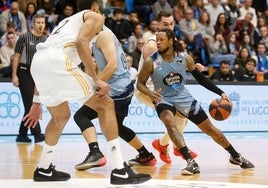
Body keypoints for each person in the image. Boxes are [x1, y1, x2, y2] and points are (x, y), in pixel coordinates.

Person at [22, 0, 151, 185]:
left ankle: (43, 168)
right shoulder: (95, 16)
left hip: (39, 62)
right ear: (96, 7)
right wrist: (95, 78)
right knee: (106, 104)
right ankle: (119, 169)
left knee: (61, 116)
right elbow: (81, 42)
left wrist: (36, 102)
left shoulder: (65, 22)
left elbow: (46, 60)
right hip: (57, 62)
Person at [137, 28, 255, 175]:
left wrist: (221, 93)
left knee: (210, 129)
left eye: (161, 40)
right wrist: (150, 93)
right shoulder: (151, 62)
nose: (158, 43)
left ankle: (236, 156)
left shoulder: (184, 58)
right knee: (169, 121)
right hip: (163, 99)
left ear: (171, 41)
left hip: (184, 98)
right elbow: (139, 84)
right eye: (157, 39)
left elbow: (201, 79)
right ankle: (190, 162)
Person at [74, 25, 156, 171]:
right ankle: (145, 155)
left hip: (116, 89)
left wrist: (97, 84)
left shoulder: (103, 36)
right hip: (125, 87)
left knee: (81, 116)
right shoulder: (108, 32)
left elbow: (112, 65)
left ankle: (95, 153)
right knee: (117, 127)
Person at [137, 10, 198, 164]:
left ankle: (163, 144)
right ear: (157, 24)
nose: (169, 26)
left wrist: (194, 66)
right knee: (179, 117)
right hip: (149, 88)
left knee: (183, 119)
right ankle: (176, 146)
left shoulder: (171, 39)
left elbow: (180, 64)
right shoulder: (153, 44)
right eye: (165, 24)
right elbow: (162, 70)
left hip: (167, 86)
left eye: (171, 23)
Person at [12, 14, 46, 143]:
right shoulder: (24, 37)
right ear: (33, 24)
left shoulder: (45, 40)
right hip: (24, 72)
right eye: (38, 22)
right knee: (31, 104)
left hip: (38, 74)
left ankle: (22, 135)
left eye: (42, 22)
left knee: (29, 106)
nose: (40, 25)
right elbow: (16, 56)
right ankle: (37, 134)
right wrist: (14, 75)